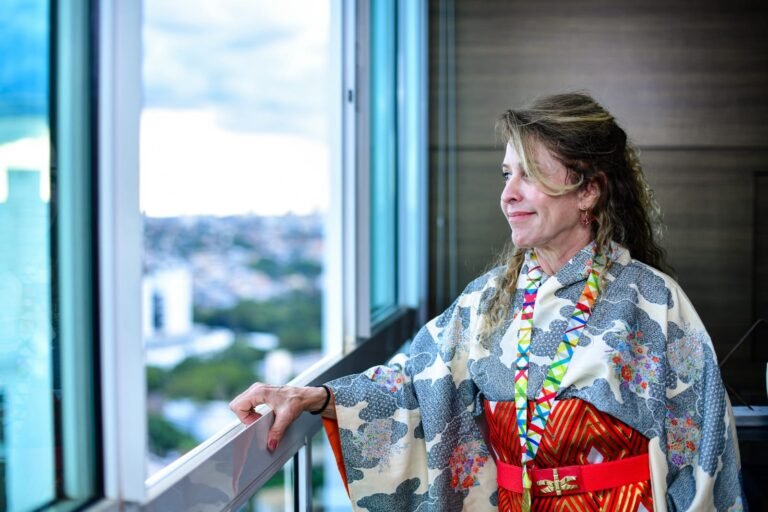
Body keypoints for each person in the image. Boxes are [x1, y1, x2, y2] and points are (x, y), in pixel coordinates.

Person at [230, 92, 745, 511]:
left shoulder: (654, 302)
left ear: (588, 191)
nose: (508, 193)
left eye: (529, 175)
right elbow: (416, 384)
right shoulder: (486, 300)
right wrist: (314, 397)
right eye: (506, 175)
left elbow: (703, 450)